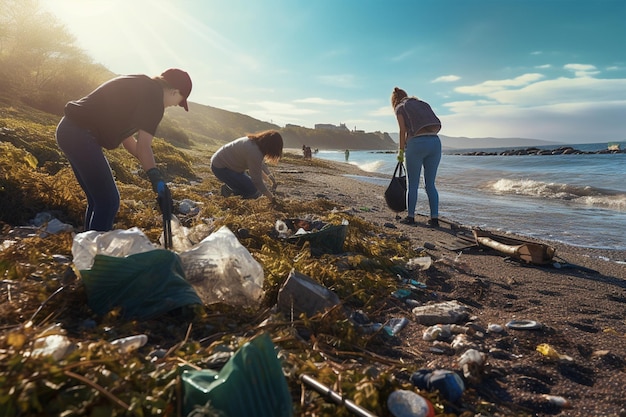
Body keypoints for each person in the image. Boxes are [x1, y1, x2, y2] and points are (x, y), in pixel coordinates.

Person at [55, 68, 192, 232]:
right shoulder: (154, 99)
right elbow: (144, 146)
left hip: (68, 130)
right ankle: (96, 255)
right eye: (180, 100)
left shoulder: (141, 84)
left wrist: (155, 175)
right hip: (80, 135)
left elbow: (129, 141)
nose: (176, 104)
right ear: (174, 91)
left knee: (98, 200)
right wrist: (156, 177)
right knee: (109, 201)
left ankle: (88, 248)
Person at [391, 87, 442, 227]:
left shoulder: (400, 107)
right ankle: (434, 218)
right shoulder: (421, 104)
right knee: (430, 184)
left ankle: (411, 217)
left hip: (417, 144)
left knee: (413, 184)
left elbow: (403, 131)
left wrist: (401, 151)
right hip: (435, 142)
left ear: (394, 100)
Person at [210, 130, 282, 202]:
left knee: (252, 187)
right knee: (252, 190)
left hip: (232, 166)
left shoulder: (254, 143)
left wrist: (270, 178)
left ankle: (233, 186)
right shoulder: (254, 152)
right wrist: (271, 198)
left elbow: (260, 164)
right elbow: (257, 181)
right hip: (221, 168)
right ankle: (228, 191)